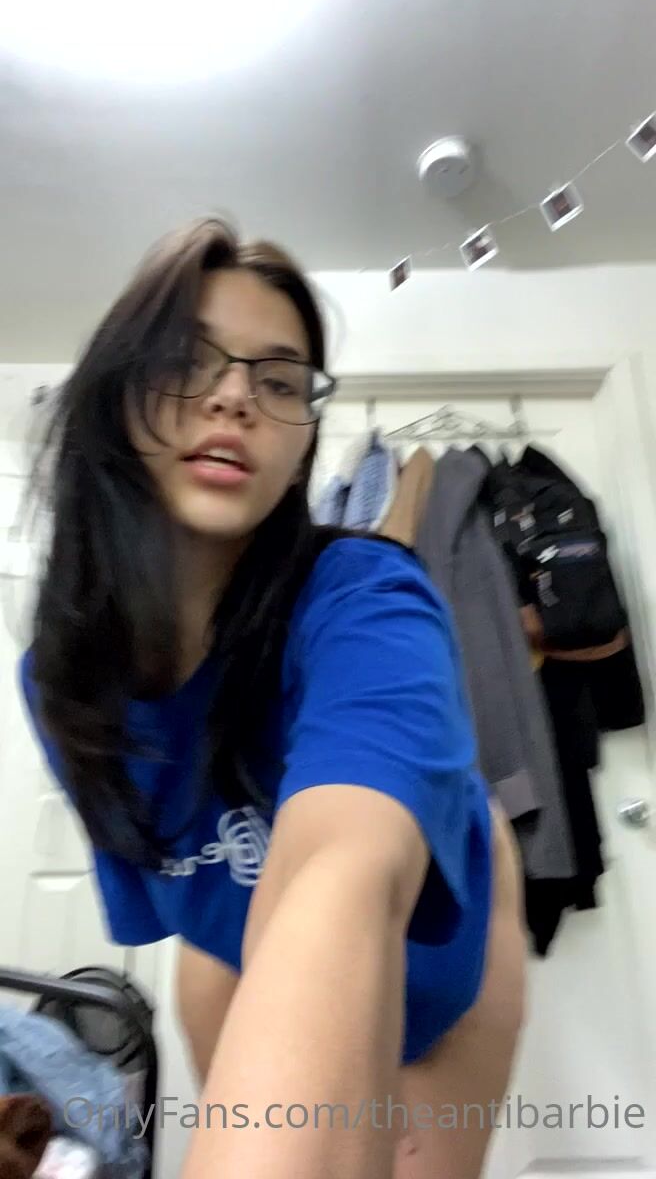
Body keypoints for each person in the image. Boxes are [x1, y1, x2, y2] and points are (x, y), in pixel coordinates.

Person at [19, 218, 526, 1179]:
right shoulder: (62, 678)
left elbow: (342, 871)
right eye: (186, 362)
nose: (234, 396)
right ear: (118, 400)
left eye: (281, 381)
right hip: (229, 946)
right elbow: (183, 876)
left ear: (304, 444)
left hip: (440, 946)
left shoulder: (367, 599)